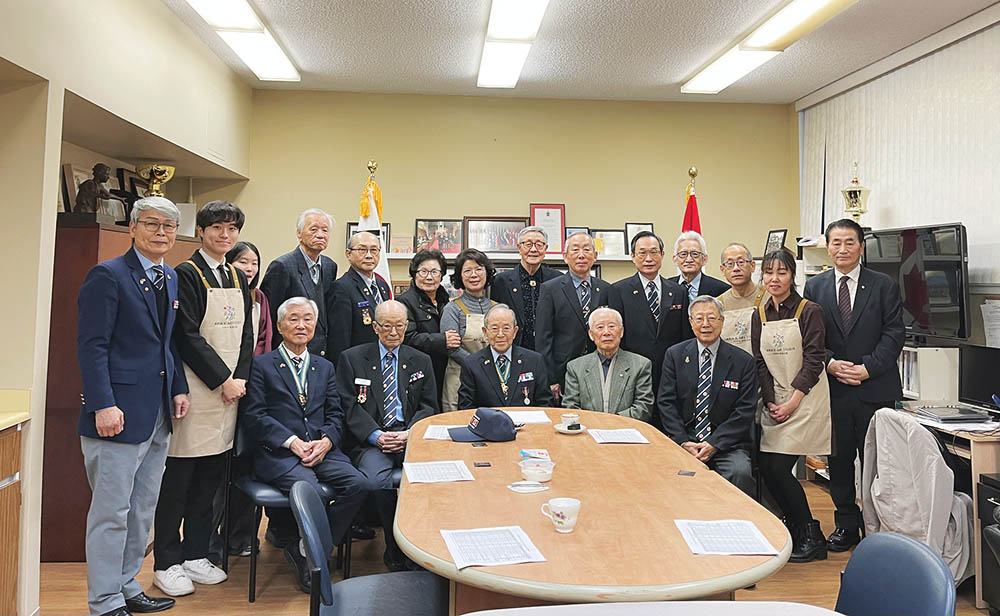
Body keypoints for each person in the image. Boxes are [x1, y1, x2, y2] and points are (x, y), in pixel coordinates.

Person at [77, 196, 189, 616]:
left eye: (169, 227)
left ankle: (126, 585)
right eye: (152, 224)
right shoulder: (107, 276)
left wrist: (178, 386)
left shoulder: (169, 277)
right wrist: (102, 404)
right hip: (116, 416)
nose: (161, 233)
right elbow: (92, 347)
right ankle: (104, 601)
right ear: (133, 228)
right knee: (111, 514)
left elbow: (167, 342)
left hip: (157, 413)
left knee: (142, 510)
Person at [152, 200, 255, 597]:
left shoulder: (237, 275)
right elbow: (187, 336)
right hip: (196, 391)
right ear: (201, 232)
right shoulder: (187, 274)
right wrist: (223, 379)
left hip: (230, 395)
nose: (224, 235)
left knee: (210, 479)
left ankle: (196, 554)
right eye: (217, 228)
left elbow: (246, 332)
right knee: (179, 480)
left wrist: (241, 378)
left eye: (231, 229)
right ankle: (166, 560)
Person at [242, 297, 371, 593]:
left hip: (322, 449)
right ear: (279, 326)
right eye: (294, 319)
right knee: (310, 489)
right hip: (280, 453)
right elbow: (255, 416)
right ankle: (314, 560)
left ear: (315, 325)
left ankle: (306, 549)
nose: (301, 325)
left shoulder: (324, 366)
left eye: (307, 319)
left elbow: (337, 413)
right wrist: (292, 442)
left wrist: (326, 441)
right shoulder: (262, 365)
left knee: (360, 485)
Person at [803, 218, 904, 551]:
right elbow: (809, 337)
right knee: (840, 461)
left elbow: (894, 334)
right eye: (836, 243)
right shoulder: (815, 287)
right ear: (828, 247)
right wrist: (829, 363)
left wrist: (866, 369)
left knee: (880, 464)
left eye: (849, 242)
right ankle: (846, 525)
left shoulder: (884, 284)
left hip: (875, 389)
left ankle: (882, 529)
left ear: (861, 247)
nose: (842, 249)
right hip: (833, 389)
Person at [338, 300, 438, 571]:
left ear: (406, 327)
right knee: (375, 483)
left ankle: (427, 546)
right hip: (372, 440)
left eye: (400, 326)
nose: (393, 332)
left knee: (433, 478)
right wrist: (376, 435)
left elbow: (429, 406)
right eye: (387, 326)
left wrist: (409, 434)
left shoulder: (420, 360)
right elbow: (348, 407)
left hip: (409, 437)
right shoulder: (352, 359)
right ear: (375, 326)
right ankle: (396, 548)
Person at [752, 249, 832, 563]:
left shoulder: (808, 310)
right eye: (768, 272)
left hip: (805, 398)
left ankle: (812, 537)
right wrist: (772, 399)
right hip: (775, 399)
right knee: (767, 467)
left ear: (792, 276)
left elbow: (815, 359)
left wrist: (793, 400)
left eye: (781, 272)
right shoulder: (758, 313)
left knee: (779, 468)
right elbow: (759, 363)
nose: (774, 279)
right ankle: (798, 530)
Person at [207, 241, 272, 563]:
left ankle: (241, 535)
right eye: (242, 262)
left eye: (254, 263)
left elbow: (264, 342)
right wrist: (227, 378)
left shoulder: (259, 299)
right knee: (217, 472)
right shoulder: (217, 294)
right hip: (215, 389)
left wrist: (247, 378)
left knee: (248, 465)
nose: (249, 268)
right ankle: (209, 541)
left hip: (251, 390)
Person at [658, 296, 756, 497]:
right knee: (666, 474)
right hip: (685, 441)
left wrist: (714, 444)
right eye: (699, 318)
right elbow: (666, 402)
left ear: (722, 321)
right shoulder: (675, 355)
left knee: (740, 472)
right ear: (690, 322)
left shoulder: (743, 361)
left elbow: (744, 411)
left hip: (726, 444)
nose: (705, 324)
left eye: (712, 318)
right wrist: (683, 441)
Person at [608, 231, 691, 426]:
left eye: (654, 252)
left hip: (669, 372)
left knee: (667, 426)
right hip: (632, 373)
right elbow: (616, 335)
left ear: (662, 255)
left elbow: (685, 337)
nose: (648, 258)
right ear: (633, 256)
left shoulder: (678, 291)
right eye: (642, 253)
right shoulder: (618, 290)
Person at [536, 232, 610, 405]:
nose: (581, 255)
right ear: (565, 256)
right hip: (562, 370)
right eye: (575, 250)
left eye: (587, 249)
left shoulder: (606, 289)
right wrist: (551, 378)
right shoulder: (550, 289)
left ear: (595, 256)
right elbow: (543, 337)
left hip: (599, 367)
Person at [259, 208, 338, 359]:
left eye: (325, 230)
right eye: (314, 229)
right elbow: (269, 317)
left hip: (321, 354)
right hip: (289, 353)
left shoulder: (330, 266)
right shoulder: (282, 266)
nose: (320, 235)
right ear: (299, 233)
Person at [562, 307, 653, 422]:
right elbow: (571, 407)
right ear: (591, 334)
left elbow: (643, 407)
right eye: (600, 327)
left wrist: (611, 422)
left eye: (611, 326)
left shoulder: (640, 365)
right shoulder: (575, 367)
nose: (606, 332)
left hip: (626, 432)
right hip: (588, 432)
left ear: (621, 331)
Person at [457, 304, 553, 409]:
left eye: (506, 328)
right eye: (494, 328)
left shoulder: (534, 361)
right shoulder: (472, 364)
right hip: (489, 424)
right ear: (485, 332)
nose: (500, 334)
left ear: (515, 331)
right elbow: (465, 408)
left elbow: (545, 403)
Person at [398, 250, 460, 407]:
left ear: (442, 275)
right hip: (418, 371)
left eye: (434, 272)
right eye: (423, 271)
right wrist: (442, 340)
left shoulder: (445, 300)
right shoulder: (404, 302)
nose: (429, 277)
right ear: (414, 274)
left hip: (445, 370)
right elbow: (407, 338)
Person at [439, 249, 497, 411]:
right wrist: (479, 366)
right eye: (467, 270)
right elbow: (452, 349)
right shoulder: (452, 309)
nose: (474, 275)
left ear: (487, 273)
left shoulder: (498, 308)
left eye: (479, 269)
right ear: (459, 276)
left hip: (493, 376)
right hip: (459, 377)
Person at [489, 226, 561, 350]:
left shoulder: (557, 279)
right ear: (519, 248)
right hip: (514, 351)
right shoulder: (501, 281)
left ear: (546, 249)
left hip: (549, 352)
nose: (533, 249)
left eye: (539, 244)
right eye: (528, 244)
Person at [328, 231, 393, 364]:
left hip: (383, 360)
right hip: (358, 363)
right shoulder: (341, 288)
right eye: (362, 250)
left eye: (374, 250)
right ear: (348, 254)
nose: (369, 255)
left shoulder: (382, 285)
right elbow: (340, 340)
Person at [717, 243, 770, 355]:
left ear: (752, 266)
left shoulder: (770, 296)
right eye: (730, 264)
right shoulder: (718, 304)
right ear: (722, 270)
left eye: (741, 262)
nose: (736, 268)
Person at [668, 231, 730, 302]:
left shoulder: (722, 290)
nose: (689, 259)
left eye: (695, 254)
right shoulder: (665, 288)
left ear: (704, 259)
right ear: (675, 260)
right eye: (683, 254)